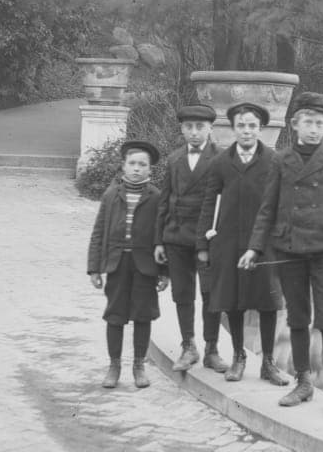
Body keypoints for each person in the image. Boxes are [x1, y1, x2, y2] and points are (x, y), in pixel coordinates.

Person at [239, 92, 323, 418]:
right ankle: (303, 382)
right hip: (290, 249)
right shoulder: (280, 160)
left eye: (320, 124)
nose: (314, 129)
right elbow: (267, 208)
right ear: (295, 124)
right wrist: (255, 247)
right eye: (309, 122)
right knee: (298, 318)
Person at [196, 103, 290, 386]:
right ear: (233, 128)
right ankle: (238, 356)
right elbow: (208, 203)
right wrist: (203, 243)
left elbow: (283, 204)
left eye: (252, 126)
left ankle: (269, 363)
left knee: (267, 302)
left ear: (260, 129)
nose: (247, 131)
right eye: (241, 125)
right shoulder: (220, 163)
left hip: (264, 244)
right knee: (233, 301)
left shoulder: (275, 161)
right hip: (228, 243)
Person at [87, 139, 169, 389]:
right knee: (115, 314)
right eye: (132, 163)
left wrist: (164, 272)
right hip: (117, 263)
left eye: (142, 164)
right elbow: (99, 230)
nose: (136, 169)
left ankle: (139, 366)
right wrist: (94, 268)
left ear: (150, 169)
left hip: (145, 265)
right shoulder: (112, 194)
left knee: (143, 316)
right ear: (123, 166)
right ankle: (114, 365)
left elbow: (163, 235)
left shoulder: (156, 197)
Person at [153, 104, 229, 373]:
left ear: (210, 128)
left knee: (210, 294)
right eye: (188, 127)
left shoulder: (221, 158)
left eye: (200, 127)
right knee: (182, 294)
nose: (194, 133)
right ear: (182, 129)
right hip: (176, 238)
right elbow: (164, 202)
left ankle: (212, 349)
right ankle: (188, 346)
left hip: (207, 240)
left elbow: (226, 202)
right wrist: (160, 240)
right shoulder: (174, 159)